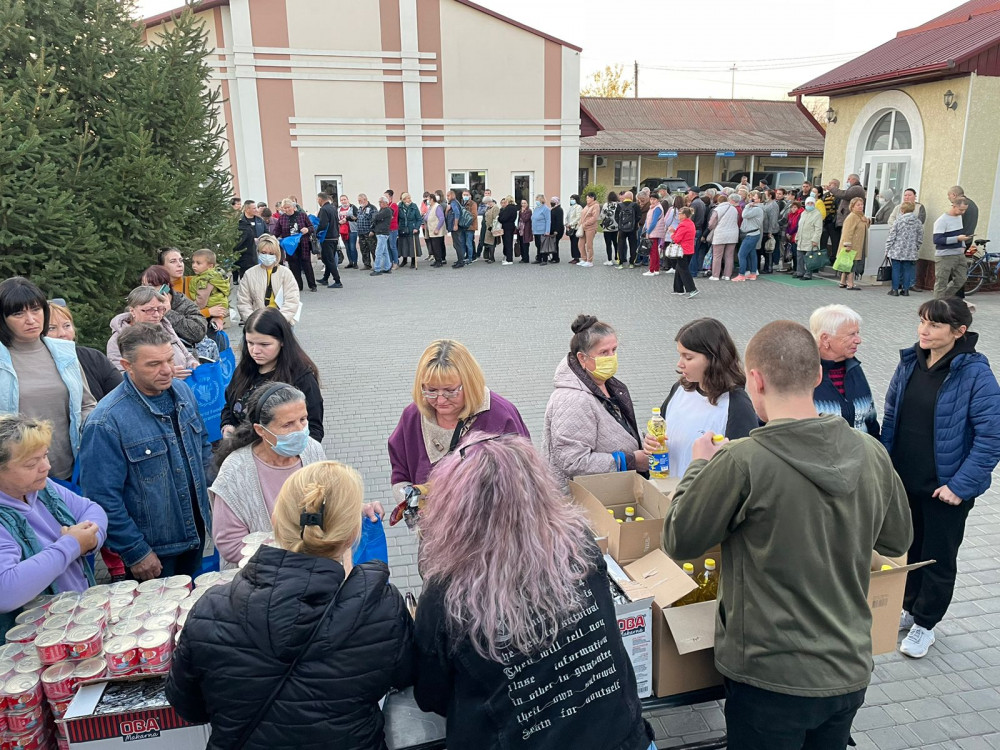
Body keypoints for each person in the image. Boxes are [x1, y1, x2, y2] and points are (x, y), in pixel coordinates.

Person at [662, 320, 911, 750]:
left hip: (768, 677)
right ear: (817, 375)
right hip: (848, 667)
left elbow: (679, 539)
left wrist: (700, 465)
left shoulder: (743, 460)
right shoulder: (870, 451)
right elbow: (896, 542)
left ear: (754, 380)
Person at [413, 435, 655, 750]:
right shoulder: (578, 543)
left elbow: (430, 695)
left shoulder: (447, 591)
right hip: (623, 738)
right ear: (538, 490)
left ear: (455, 508)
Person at [167, 461, 413, 748]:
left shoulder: (210, 610)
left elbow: (188, 706)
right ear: (351, 535)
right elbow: (405, 678)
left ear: (277, 524)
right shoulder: (383, 609)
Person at [882, 298, 1000, 659]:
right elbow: (891, 418)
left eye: (933, 325)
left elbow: (991, 437)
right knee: (910, 551)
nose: (923, 330)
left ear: (959, 332)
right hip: (905, 481)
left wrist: (959, 487)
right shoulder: (910, 362)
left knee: (937, 557)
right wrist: (884, 469)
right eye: (921, 321)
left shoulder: (975, 373)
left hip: (945, 489)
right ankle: (908, 607)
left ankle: (926, 624)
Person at [81, 324, 215, 580]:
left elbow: (203, 447)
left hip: (197, 534)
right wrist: (136, 551)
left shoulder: (183, 391)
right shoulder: (106, 422)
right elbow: (102, 497)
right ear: (127, 365)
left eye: (168, 359)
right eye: (153, 364)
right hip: (155, 551)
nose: (166, 370)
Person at [0, 414, 107, 636]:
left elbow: (91, 509)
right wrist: (72, 545)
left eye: (45, 456)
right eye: (31, 463)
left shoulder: (42, 487)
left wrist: (90, 539)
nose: (46, 467)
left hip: (76, 618)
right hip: (32, 642)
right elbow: (6, 590)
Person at [388, 340, 529, 499]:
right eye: (431, 390)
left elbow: (523, 480)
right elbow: (400, 475)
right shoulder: (412, 416)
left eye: (450, 391)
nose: (440, 400)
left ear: (469, 383)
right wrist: (410, 505)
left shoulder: (501, 416)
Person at [211, 384, 326, 567]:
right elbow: (230, 545)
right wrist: (291, 558)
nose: (300, 430)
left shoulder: (312, 450)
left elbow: (327, 501)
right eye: (288, 424)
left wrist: (353, 509)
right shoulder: (235, 472)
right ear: (261, 430)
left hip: (313, 568)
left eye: (303, 419)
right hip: (262, 580)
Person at [0, 278, 97, 484]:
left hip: (70, 469)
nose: (31, 319)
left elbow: (86, 404)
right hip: (14, 476)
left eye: (36, 310)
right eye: (18, 313)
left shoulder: (65, 352)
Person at [542, 315, 646, 490]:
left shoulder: (605, 382)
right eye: (604, 353)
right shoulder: (572, 400)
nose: (611, 357)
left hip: (610, 491)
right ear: (582, 358)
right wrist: (631, 461)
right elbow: (574, 461)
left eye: (614, 350)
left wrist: (643, 441)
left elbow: (615, 427)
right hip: (585, 500)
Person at [645, 319, 757, 478]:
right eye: (680, 355)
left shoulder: (737, 405)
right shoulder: (679, 389)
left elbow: (742, 469)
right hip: (666, 491)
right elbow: (660, 432)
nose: (680, 364)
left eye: (688, 357)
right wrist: (651, 442)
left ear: (713, 358)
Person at [221, 308, 323, 442]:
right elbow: (229, 404)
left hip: (282, 459)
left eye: (264, 344)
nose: (255, 351)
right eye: (250, 343)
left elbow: (314, 430)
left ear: (282, 341)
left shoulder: (301, 378)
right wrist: (227, 425)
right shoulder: (244, 369)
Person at [809, 305, 879, 437]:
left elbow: (871, 422)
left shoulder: (853, 368)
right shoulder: (801, 375)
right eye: (852, 334)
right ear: (825, 338)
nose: (858, 340)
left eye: (858, 333)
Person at [107, 287, 198, 378]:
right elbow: (120, 377)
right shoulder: (118, 339)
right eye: (149, 310)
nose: (157, 315)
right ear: (132, 311)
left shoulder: (165, 327)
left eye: (160, 309)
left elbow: (187, 355)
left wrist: (193, 363)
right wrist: (166, 375)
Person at [47, 302, 122, 402]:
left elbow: (122, 394)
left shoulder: (93, 358)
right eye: (52, 328)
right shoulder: (34, 364)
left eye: (67, 326)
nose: (62, 333)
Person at [235, 234, 300, 325]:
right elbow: (243, 301)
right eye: (263, 253)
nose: (267, 256)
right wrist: (253, 321)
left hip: (282, 322)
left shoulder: (286, 273)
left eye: (271, 254)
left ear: (277, 254)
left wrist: (281, 321)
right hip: (257, 322)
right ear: (258, 252)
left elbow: (292, 300)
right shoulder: (249, 274)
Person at [155, 249, 217, 345]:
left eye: (181, 260)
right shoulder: (156, 289)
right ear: (161, 267)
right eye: (173, 261)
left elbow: (218, 301)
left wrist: (218, 317)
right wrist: (208, 312)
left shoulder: (194, 282)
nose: (179, 264)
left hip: (193, 342)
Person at [273, 198, 316, 292]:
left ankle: (312, 285)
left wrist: (307, 230)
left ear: (293, 207)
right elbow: (277, 231)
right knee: (293, 265)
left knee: (306, 264)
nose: (286, 210)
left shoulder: (302, 215)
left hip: (303, 243)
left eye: (288, 207)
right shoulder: (282, 218)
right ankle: (298, 285)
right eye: (284, 208)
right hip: (290, 245)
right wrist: (272, 238)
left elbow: (312, 227)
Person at [933, 198, 973, 299]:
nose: (962, 212)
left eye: (964, 210)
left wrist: (963, 244)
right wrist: (957, 239)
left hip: (959, 253)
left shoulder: (958, 217)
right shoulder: (942, 220)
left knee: (961, 279)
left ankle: (944, 299)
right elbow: (937, 239)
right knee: (941, 282)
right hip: (944, 255)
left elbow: (959, 234)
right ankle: (937, 307)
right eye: (961, 210)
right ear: (954, 206)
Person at [885, 201, 922, 296]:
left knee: (896, 269)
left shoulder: (898, 221)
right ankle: (906, 290)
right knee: (907, 269)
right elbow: (920, 237)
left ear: (902, 210)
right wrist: (916, 247)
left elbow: (892, 236)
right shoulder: (918, 222)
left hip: (897, 249)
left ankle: (895, 289)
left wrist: (887, 248)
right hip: (911, 250)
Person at [189, 249, 231, 331]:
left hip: (211, 306)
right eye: (193, 262)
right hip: (219, 304)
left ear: (210, 266)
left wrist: (192, 308)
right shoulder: (215, 276)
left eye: (198, 263)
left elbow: (201, 300)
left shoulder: (205, 280)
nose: (194, 265)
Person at [833, 197, 869, 291]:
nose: (861, 207)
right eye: (858, 205)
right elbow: (847, 231)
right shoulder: (852, 216)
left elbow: (863, 228)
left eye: (862, 205)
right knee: (851, 264)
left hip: (857, 244)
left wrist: (867, 221)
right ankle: (850, 283)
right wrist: (847, 244)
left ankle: (842, 281)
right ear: (852, 206)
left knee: (848, 263)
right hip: (852, 245)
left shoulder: (860, 216)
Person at [235, 200, 267, 285]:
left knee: (258, 280)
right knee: (246, 281)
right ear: (247, 209)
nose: (256, 210)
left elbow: (267, 231)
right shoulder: (240, 222)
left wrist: (265, 237)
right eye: (254, 208)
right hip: (246, 256)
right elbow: (238, 240)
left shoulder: (260, 220)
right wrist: (252, 239)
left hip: (260, 252)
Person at [709, 194, 740, 281]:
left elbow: (711, 223)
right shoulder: (734, 209)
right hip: (733, 234)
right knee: (729, 256)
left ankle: (715, 275)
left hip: (720, 234)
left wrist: (710, 228)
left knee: (717, 256)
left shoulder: (717, 209)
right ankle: (727, 275)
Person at [734, 190, 763, 281]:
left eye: (754, 197)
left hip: (751, 234)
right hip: (751, 233)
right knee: (752, 254)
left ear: (759, 199)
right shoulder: (753, 208)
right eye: (750, 196)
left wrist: (747, 206)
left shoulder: (757, 209)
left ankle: (741, 274)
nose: (751, 198)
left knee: (741, 254)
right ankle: (753, 273)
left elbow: (744, 215)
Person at [316, 192, 343, 289]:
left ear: (320, 199)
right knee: (327, 259)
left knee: (329, 259)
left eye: (318, 199)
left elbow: (322, 224)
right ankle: (325, 278)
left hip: (327, 237)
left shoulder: (323, 209)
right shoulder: (333, 208)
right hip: (334, 236)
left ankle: (337, 280)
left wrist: (316, 232)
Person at [671, 207, 699, 298]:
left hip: (682, 250)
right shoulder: (690, 223)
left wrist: (672, 233)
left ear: (684, 215)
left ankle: (692, 289)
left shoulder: (683, 225)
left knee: (683, 270)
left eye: (679, 213)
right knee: (679, 268)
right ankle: (678, 289)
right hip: (689, 249)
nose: (678, 215)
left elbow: (677, 239)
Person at [794, 196, 824, 281]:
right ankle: (800, 272)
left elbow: (818, 229)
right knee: (799, 256)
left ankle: (808, 274)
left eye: (811, 203)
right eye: (808, 203)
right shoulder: (803, 213)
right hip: (802, 238)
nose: (810, 205)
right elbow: (800, 226)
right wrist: (797, 236)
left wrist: (815, 240)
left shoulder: (817, 214)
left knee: (809, 258)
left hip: (810, 239)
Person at [641, 191, 667, 277]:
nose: (652, 201)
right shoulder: (652, 207)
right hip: (653, 231)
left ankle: (652, 269)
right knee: (654, 251)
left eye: (654, 199)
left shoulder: (657, 208)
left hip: (654, 231)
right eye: (651, 199)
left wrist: (648, 232)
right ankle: (656, 269)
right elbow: (648, 220)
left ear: (658, 200)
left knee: (652, 251)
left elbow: (654, 222)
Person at [370, 194, 393, 277]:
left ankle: (377, 268)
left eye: (381, 202)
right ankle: (387, 267)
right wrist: (375, 217)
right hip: (380, 233)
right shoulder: (382, 210)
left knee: (378, 251)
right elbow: (375, 217)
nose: (379, 204)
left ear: (385, 203)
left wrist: (375, 216)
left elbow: (376, 217)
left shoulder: (387, 210)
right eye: (379, 202)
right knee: (385, 252)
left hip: (383, 233)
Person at [615, 191, 640, 268]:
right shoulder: (635, 205)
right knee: (633, 245)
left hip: (621, 229)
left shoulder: (620, 205)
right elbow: (639, 216)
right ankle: (632, 263)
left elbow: (616, 217)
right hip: (633, 229)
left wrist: (621, 224)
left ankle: (620, 262)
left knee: (621, 245)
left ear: (624, 197)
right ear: (632, 197)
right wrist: (634, 223)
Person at [398, 192, 422, 269]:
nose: (410, 199)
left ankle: (413, 260)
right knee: (404, 245)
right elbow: (398, 218)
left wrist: (416, 228)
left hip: (412, 228)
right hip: (402, 228)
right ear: (404, 199)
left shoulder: (414, 206)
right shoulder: (399, 207)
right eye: (408, 198)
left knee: (412, 245)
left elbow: (419, 218)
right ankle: (404, 260)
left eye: (410, 198)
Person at [425, 193, 448, 267]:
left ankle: (439, 261)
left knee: (437, 246)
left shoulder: (437, 206)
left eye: (428, 199)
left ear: (432, 199)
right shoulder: (431, 207)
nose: (427, 201)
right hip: (431, 229)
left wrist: (437, 228)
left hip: (436, 230)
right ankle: (437, 260)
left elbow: (441, 218)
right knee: (434, 246)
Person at [356, 194, 377, 270]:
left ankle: (377, 265)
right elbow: (358, 218)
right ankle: (367, 264)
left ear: (365, 199)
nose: (359, 202)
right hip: (361, 232)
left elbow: (374, 220)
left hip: (369, 232)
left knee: (373, 249)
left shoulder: (372, 208)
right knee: (363, 249)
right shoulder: (360, 208)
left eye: (360, 200)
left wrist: (372, 230)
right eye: (358, 200)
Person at [337, 195, 359, 269]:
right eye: (342, 200)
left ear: (348, 199)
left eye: (344, 199)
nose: (343, 201)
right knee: (347, 247)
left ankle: (355, 262)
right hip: (343, 230)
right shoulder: (339, 209)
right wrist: (339, 222)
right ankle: (350, 262)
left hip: (352, 229)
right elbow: (336, 218)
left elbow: (356, 216)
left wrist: (347, 219)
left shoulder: (353, 207)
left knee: (352, 247)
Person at [579, 191, 600, 267]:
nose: (586, 199)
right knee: (580, 244)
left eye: (588, 198)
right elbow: (582, 216)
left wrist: (585, 223)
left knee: (589, 245)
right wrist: (580, 224)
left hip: (590, 228)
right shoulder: (587, 206)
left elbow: (594, 217)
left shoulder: (595, 206)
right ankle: (584, 259)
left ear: (592, 198)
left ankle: (589, 260)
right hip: (583, 227)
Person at [530, 193, 552, 265]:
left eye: (537, 200)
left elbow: (548, 220)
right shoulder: (536, 208)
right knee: (537, 244)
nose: (536, 201)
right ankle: (539, 258)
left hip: (542, 230)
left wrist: (547, 231)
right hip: (536, 230)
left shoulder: (546, 209)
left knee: (543, 245)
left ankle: (544, 259)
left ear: (541, 200)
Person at [497, 196, 518, 266]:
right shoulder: (515, 207)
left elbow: (503, 218)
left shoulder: (509, 208)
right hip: (511, 225)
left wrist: (499, 218)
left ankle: (509, 259)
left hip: (507, 226)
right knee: (509, 242)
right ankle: (508, 258)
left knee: (508, 243)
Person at [600, 191, 620, 266]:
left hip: (607, 228)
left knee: (608, 244)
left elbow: (602, 216)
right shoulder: (618, 205)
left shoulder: (606, 205)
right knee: (616, 243)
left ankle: (609, 259)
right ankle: (617, 258)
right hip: (616, 227)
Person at [480, 196, 499, 264]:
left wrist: (492, 227)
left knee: (492, 243)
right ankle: (490, 257)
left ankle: (492, 258)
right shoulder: (489, 208)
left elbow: (495, 218)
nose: (486, 204)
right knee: (488, 243)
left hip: (491, 227)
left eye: (486, 203)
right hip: (487, 227)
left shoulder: (495, 208)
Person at [564, 194, 582, 264]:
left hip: (575, 227)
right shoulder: (570, 207)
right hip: (570, 227)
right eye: (571, 199)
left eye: (573, 199)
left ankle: (577, 257)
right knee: (572, 243)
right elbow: (567, 216)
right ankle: (574, 256)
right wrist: (566, 223)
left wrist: (571, 224)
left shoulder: (578, 207)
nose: (571, 200)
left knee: (575, 243)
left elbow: (578, 217)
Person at [387, 189, 400, 270]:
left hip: (393, 228)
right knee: (388, 246)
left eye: (386, 196)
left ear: (390, 197)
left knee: (393, 246)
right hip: (387, 229)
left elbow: (390, 215)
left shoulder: (393, 205)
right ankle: (390, 262)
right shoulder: (386, 206)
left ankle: (396, 262)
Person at [517, 199, 533, 263]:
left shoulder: (529, 211)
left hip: (526, 230)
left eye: (524, 203)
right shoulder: (520, 211)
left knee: (525, 245)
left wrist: (522, 212)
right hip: (520, 230)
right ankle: (523, 258)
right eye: (522, 203)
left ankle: (526, 258)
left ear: (527, 204)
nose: (523, 205)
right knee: (521, 244)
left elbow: (525, 219)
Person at [549, 196, 564, 264]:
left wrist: (556, 230)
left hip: (557, 230)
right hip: (552, 229)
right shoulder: (553, 209)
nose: (551, 202)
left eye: (553, 201)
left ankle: (556, 258)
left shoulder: (559, 210)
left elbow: (559, 221)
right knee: (553, 244)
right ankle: (553, 257)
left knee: (555, 244)